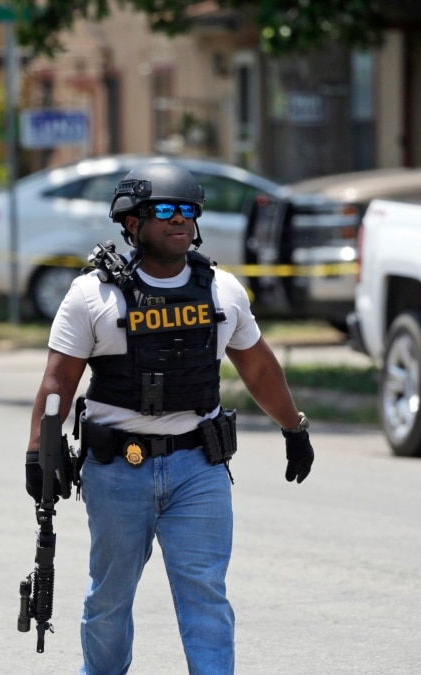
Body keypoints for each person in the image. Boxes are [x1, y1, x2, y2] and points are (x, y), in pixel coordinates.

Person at [25, 161, 315, 674]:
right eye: (164, 210)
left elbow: (259, 367)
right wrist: (38, 456)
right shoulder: (92, 296)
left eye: (187, 210)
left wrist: (294, 426)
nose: (179, 219)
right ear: (133, 222)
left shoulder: (222, 290)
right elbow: (58, 384)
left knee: (206, 598)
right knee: (109, 603)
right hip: (117, 470)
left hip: (198, 469)